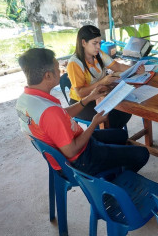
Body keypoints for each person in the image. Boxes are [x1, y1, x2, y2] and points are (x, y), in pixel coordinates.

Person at [16, 48, 149, 176]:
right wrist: (94, 123)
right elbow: (71, 150)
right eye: (57, 68)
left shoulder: (26, 100)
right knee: (142, 153)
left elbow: (62, 115)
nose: (60, 71)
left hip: (70, 145)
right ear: (48, 75)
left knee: (121, 135)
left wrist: (89, 98)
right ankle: (113, 182)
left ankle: (114, 164)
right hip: (79, 161)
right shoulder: (49, 112)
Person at [67, 25, 144, 129]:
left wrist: (136, 69)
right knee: (113, 117)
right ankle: (108, 139)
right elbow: (80, 93)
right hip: (82, 104)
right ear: (83, 43)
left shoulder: (98, 54)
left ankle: (113, 138)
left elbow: (117, 66)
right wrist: (102, 82)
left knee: (126, 109)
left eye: (99, 43)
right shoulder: (75, 63)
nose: (98, 46)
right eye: (94, 43)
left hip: (100, 95)